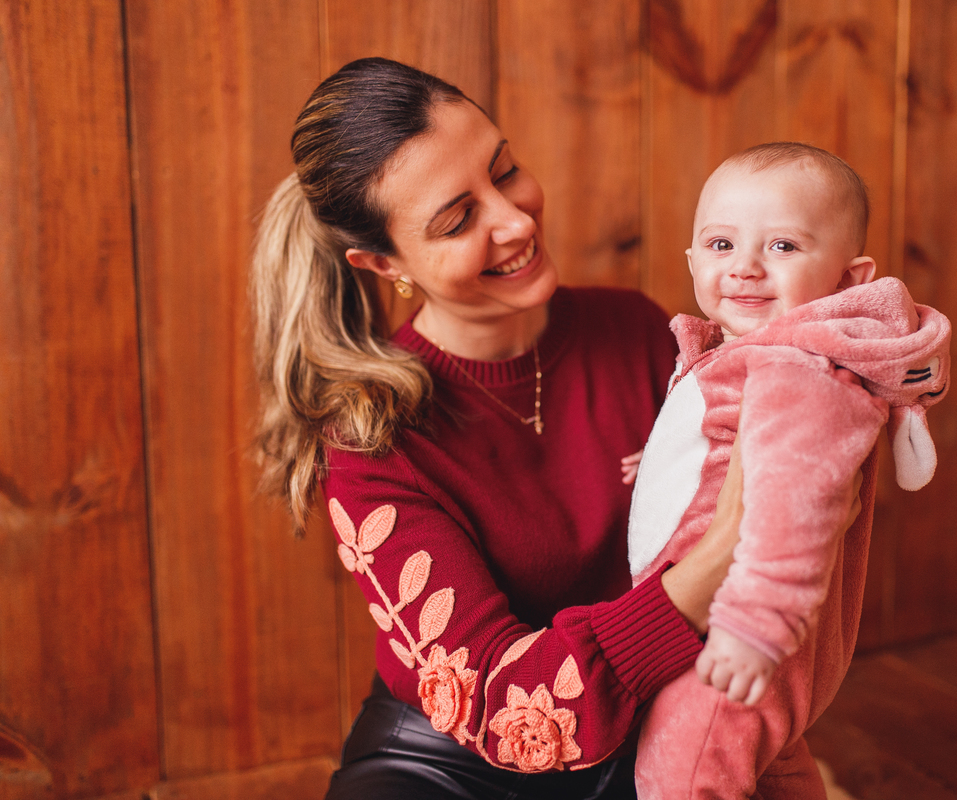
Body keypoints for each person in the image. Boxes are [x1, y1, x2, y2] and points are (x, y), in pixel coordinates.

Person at [250, 57, 777, 800]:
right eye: (458, 219)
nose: (517, 220)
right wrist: (721, 556)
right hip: (458, 756)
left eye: (505, 170)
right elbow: (503, 703)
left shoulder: (637, 331)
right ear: (384, 263)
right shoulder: (369, 443)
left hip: (656, 725)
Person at [624, 143, 952, 799]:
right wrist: (670, 460)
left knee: (680, 776)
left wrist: (755, 626)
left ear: (848, 279)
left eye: (782, 246)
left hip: (735, 632)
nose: (744, 266)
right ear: (692, 259)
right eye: (721, 244)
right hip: (733, 628)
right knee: (771, 769)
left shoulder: (796, 370)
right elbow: (732, 445)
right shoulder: (748, 351)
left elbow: (795, 505)